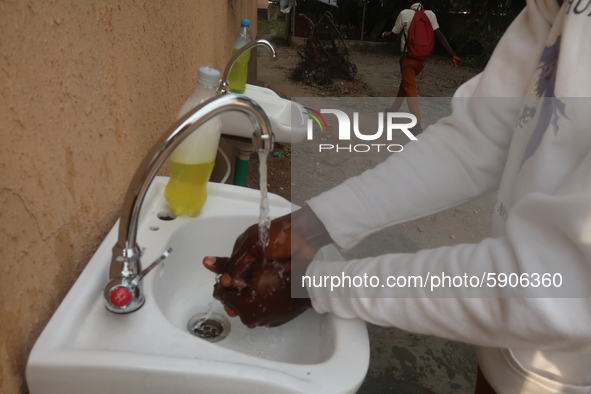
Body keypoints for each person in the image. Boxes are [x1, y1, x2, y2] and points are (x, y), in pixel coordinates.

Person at [204, 0, 591, 392]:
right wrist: (308, 226)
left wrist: (309, 285)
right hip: (504, 350)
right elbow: (479, 138)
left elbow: (554, 285)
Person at [382, 1, 462, 134]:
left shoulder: (404, 14)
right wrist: (452, 55)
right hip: (421, 61)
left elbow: (393, 35)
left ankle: (416, 125)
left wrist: (384, 35)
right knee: (406, 85)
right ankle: (392, 112)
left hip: (408, 60)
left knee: (410, 89)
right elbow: (439, 36)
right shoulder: (430, 14)